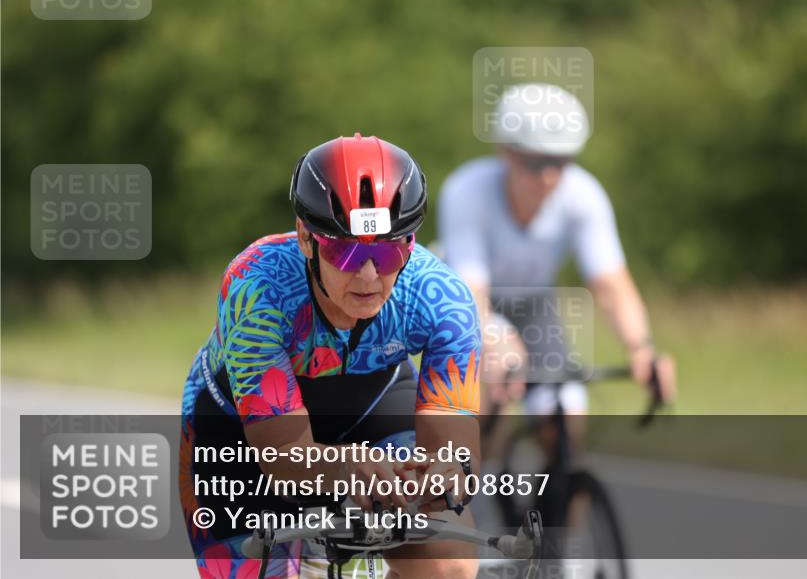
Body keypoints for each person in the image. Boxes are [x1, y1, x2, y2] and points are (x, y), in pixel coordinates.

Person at [180, 134, 481, 579]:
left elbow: (455, 457)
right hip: (241, 433)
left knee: (448, 561)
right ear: (306, 237)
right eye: (346, 250)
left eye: (387, 251)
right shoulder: (258, 287)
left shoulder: (441, 299)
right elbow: (282, 455)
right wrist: (344, 464)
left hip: (371, 404)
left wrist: (442, 475)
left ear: (411, 244)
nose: (367, 274)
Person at [438, 83, 676, 453]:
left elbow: (611, 284)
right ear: (506, 152)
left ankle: (566, 505)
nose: (548, 176)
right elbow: (471, 289)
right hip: (465, 304)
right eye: (535, 163)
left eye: (561, 162)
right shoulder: (467, 190)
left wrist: (641, 348)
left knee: (567, 423)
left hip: (534, 306)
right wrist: (495, 342)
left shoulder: (583, 195)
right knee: (484, 401)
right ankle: (462, 493)